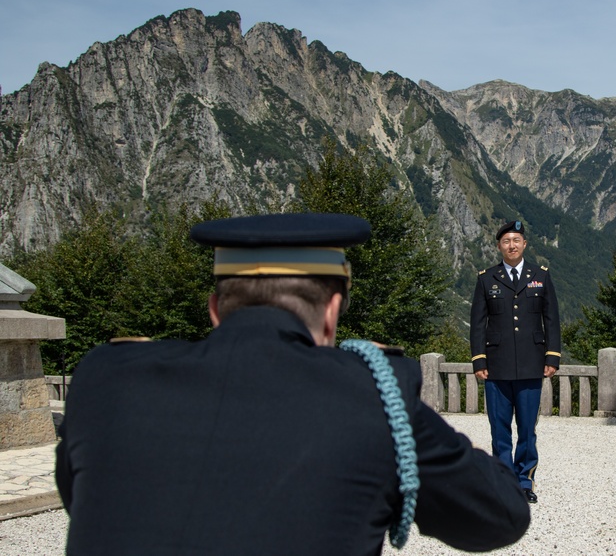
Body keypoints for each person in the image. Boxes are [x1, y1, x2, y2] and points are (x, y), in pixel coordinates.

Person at [55, 212, 530, 555]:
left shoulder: (105, 379)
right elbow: (501, 517)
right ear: (331, 311)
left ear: (216, 310)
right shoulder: (373, 398)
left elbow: (79, 495)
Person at [469, 220, 561, 504]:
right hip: (496, 366)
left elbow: (551, 320)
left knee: (526, 429)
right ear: (499, 246)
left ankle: (525, 481)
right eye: (506, 241)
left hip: (532, 364)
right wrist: (478, 360)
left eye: (516, 240)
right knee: (499, 429)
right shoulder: (486, 279)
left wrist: (552, 356)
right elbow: (477, 324)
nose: (512, 245)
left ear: (524, 245)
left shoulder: (541, 277)